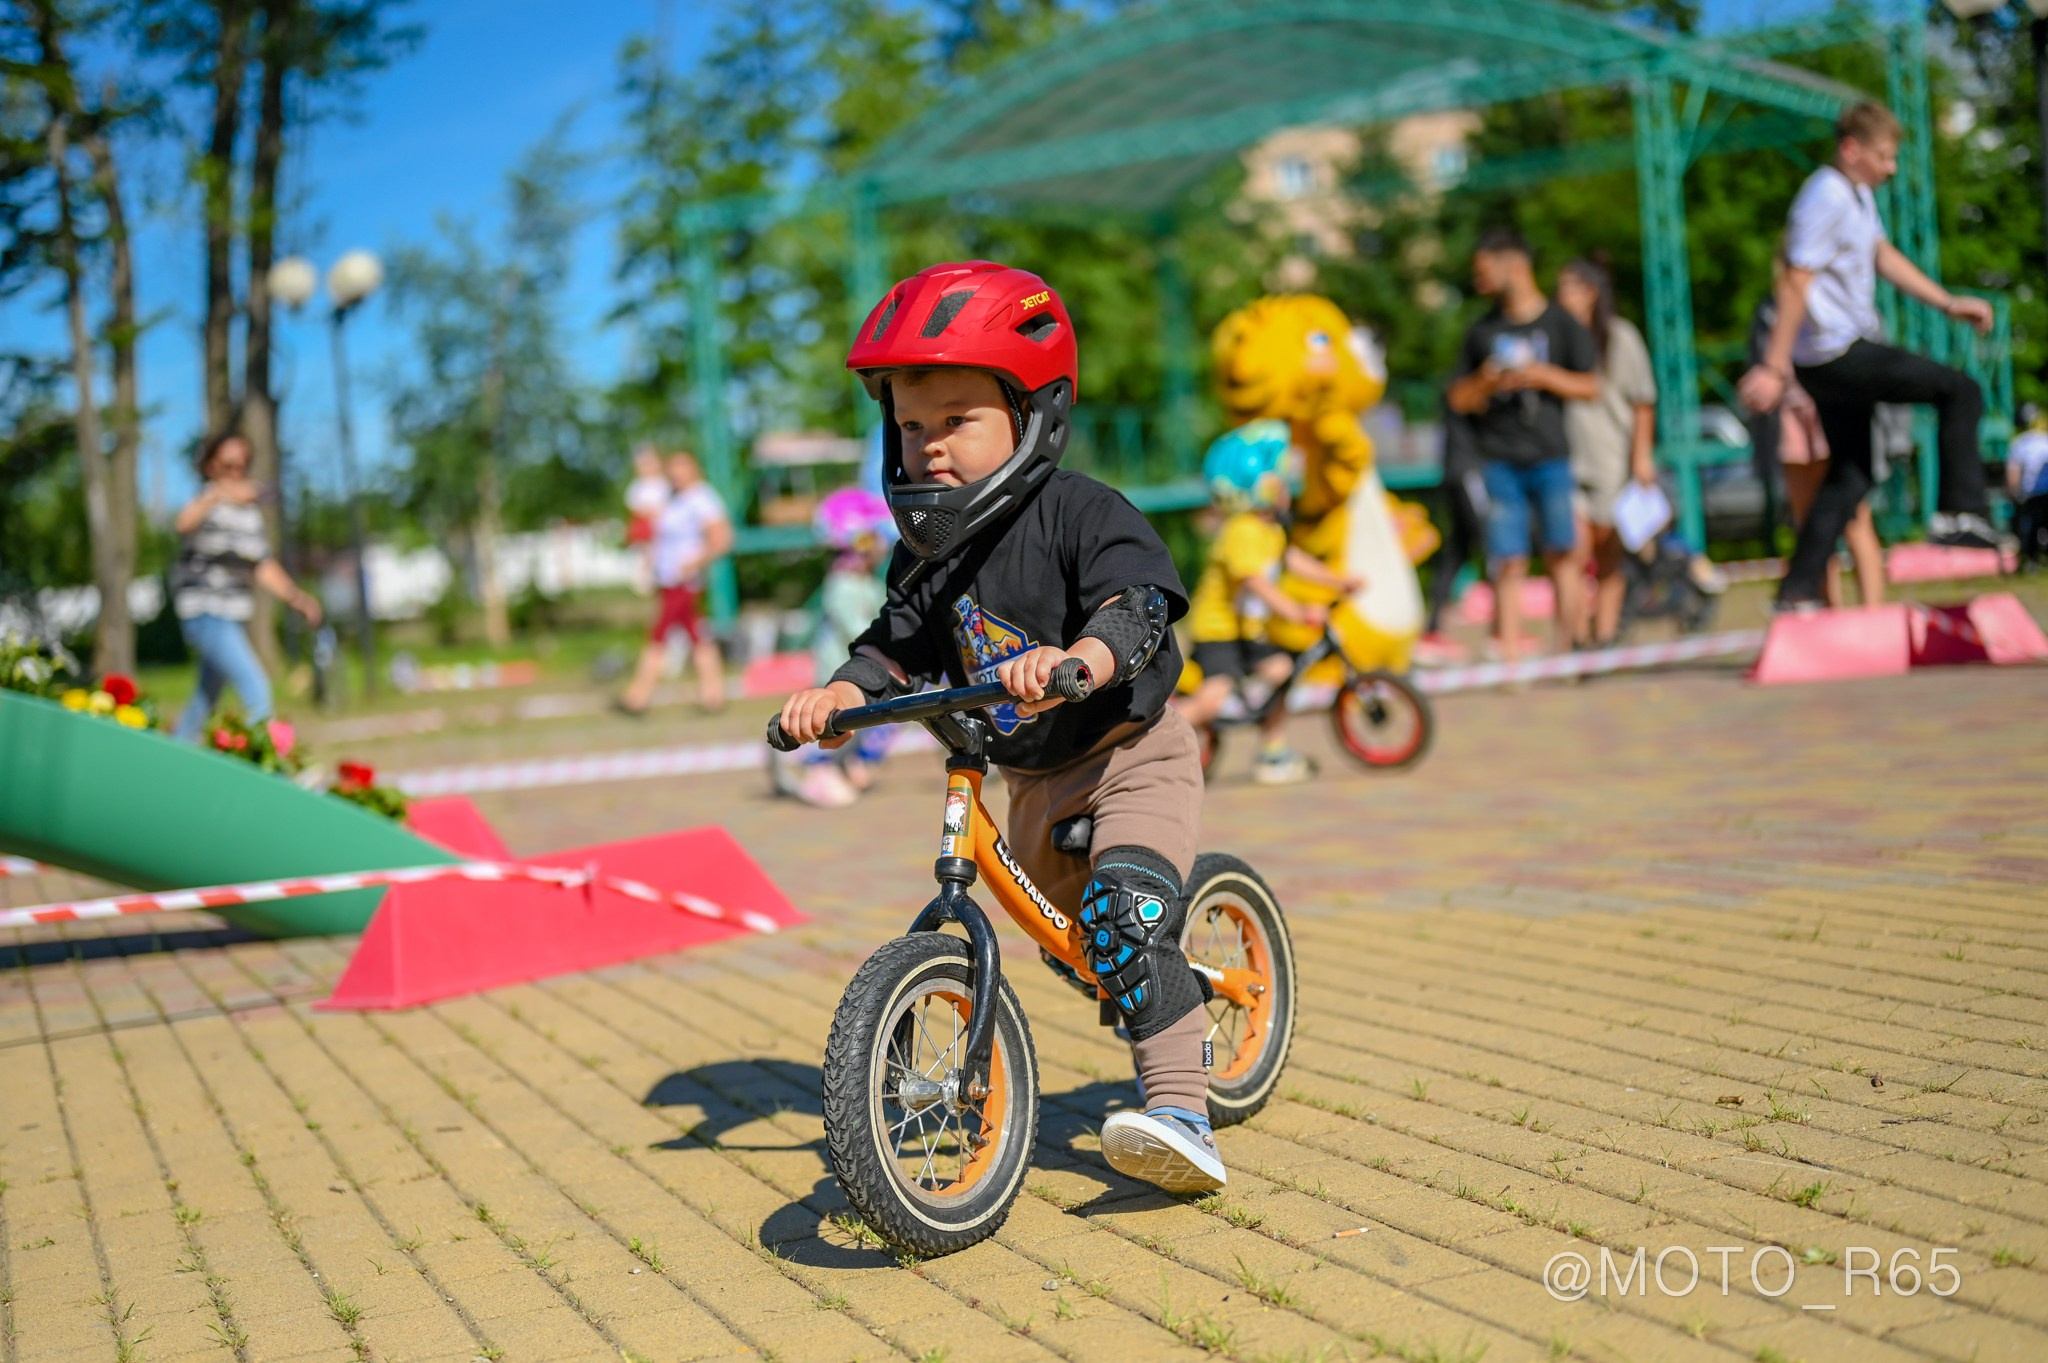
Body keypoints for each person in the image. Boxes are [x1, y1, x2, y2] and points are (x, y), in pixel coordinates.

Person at [778, 261, 1226, 1193]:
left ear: (1031, 415)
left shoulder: (1080, 511)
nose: (928, 446)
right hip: (1028, 780)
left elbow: (1138, 603)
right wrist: (840, 693)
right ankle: (1105, 995)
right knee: (1085, 947)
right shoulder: (922, 559)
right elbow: (889, 646)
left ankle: (1184, 1109)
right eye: (909, 425)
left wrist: (1082, 660)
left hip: (1128, 756)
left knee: (1127, 923)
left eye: (956, 420)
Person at [1738, 101, 2005, 613]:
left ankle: (1796, 592)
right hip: (1838, 353)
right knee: (1959, 389)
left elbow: (1883, 255)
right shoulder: (1825, 196)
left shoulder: (1857, 196)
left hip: (1832, 357)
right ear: (1851, 149)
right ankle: (1961, 515)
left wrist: (1947, 302)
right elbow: (1794, 281)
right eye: (1884, 157)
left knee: (1853, 472)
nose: (1891, 168)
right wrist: (1774, 365)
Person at [1175, 421, 1361, 784]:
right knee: (1213, 699)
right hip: (1219, 632)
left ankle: (1272, 753)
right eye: (1280, 478)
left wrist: (1338, 580)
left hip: (1248, 632)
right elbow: (1255, 582)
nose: (1288, 487)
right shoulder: (1242, 530)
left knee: (1283, 674)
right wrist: (1295, 612)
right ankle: (1150, 736)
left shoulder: (1269, 528)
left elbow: (1291, 560)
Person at [1447, 228, 1601, 660]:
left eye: (1483, 272)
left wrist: (1542, 375)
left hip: (1552, 457)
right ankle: (1511, 658)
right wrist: (1486, 380)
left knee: (1563, 556)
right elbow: (1458, 398)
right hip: (1500, 460)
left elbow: (1592, 385)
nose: (1479, 282)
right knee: (1507, 558)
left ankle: (1571, 651)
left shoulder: (1559, 322)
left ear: (1513, 265)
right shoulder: (1481, 330)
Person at [1747, 253, 1885, 609]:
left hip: (1834, 412)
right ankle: (1826, 609)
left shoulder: (1845, 302)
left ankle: (1873, 612)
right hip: (1791, 419)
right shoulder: (1768, 309)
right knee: (1807, 520)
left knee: (1854, 516)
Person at [170, 432, 323, 742]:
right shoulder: (204, 500)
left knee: (205, 697)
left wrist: (297, 598)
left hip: (232, 613)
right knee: (256, 687)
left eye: (242, 465)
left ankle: (173, 756)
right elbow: (182, 524)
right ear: (211, 465)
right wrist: (219, 494)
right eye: (228, 465)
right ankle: (264, 768)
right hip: (205, 612)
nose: (236, 472)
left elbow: (261, 564)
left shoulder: (248, 515)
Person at [770, 487, 896, 807]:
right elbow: (857, 628)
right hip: (838, 669)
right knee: (837, 724)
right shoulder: (841, 585)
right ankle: (816, 773)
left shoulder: (865, 583)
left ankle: (850, 764)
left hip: (860, 670)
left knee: (865, 725)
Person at [1555, 258, 1659, 646]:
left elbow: (1642, 400)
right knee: (1574, 554)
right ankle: (1578, 634)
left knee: (1610, 556)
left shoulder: (1620, 337)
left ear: (1590, 292)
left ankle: (1606, 632)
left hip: (1613, 461)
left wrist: (1641, 457)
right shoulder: (1555, 341)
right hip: (1567, 462)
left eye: (1567, 286)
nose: (1560, 295)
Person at [619, 451, 731, 715]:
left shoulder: (702, 498)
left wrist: (694, 562)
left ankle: (638, 694)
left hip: (685, 581)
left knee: (659, 633)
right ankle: (713, 694)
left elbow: (721, 538)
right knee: (696, 635)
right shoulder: (673, 499)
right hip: (668, 579)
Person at [1416, 401, 1484, 665]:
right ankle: (1504, 631)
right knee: (1494, 543)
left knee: (1458, 549)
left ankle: (1432, 627)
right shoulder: (1471, 380)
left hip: (1460, 469)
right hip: (1466, 469)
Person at [2007, 403, 2048, 568]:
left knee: (2032, 527)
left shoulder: (2018, 443)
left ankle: (2032, 561)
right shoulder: (2045, 439)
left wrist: (2014, 494)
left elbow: (2013, 473)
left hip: (2033, 493)